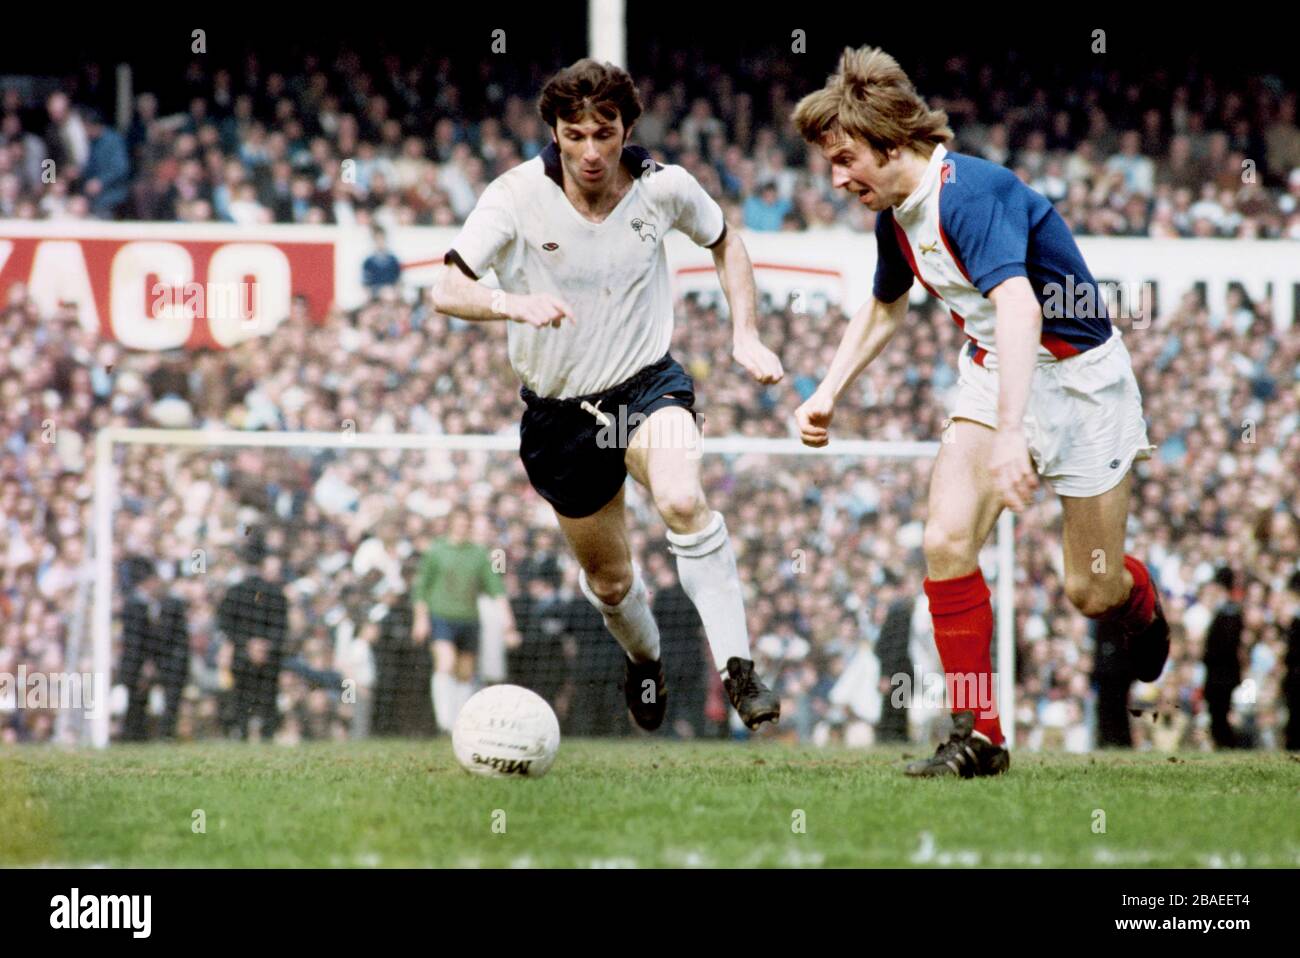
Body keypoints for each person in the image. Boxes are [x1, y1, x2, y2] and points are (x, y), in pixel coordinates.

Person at [791, 46, 1170, 777]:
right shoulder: (894, 215)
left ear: (891, 143)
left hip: (1083, 382)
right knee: (944, 539)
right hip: (997, 369)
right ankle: (980, 734)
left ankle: (1143, 604)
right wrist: (828, 390)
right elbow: (884, 305)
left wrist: (1010, 437)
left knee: (1091, 590)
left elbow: (1021, 306)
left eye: (845, 160)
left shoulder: (970, 193)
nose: (837, 179)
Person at [432, 58, 784, 732]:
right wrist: (512, 303)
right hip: (560, 415)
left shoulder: (665, 188)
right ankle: (645, 661)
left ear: (627, 129)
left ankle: (739, 669)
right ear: (555, 134)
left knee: (682, 498)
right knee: (612, 584)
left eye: (605, 132)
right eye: (575, 134)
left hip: (646, 386)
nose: (591, 150)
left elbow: (725, 240)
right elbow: (446, 287)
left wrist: (746, 333)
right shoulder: (513, 197)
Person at [411, 510, 520, 733]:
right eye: (458, 522)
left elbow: (495, 587)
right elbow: (421, 589)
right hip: (441, 616)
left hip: (469, 618)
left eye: (465, 523)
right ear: (450, 524)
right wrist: (420, 619)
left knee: (465, 673)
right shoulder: (436, 550)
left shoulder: (479, 554)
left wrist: (508, 620)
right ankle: (445, 721)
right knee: (446, 662)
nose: (462, 527)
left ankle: (460, 723)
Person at [216, 541, 289, 740]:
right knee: (267, 699)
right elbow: (282, 627)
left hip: (241, 653)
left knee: (241, 698)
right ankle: (267, 737)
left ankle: (242, 735)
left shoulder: (234, 592)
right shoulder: (277, 593)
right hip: (269, 656)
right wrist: (265, 645)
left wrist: (247, 644)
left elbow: (225, 625)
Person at [118, 556, 189, 740]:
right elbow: (132, 642)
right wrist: (143, 665)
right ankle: (134, 736)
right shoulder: (132, 607)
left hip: (167, 661)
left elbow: (180, 640)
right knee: (136, 699)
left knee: (173, 691)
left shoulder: (173, 605)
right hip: (138, 662)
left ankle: (167, 734)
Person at [1202, 567, 1243, 749]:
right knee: (1218, 713)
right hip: (1221, 673)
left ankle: (1226, 745)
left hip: (1221, 674)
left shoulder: (1229, 612)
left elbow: (1222, 647)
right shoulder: (1227, 611)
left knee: (1219, 713)